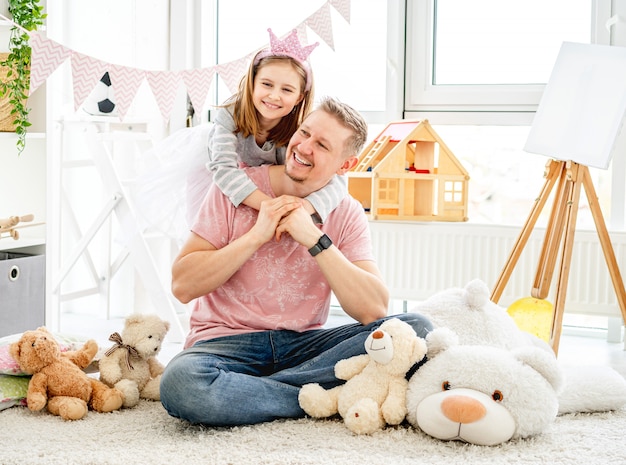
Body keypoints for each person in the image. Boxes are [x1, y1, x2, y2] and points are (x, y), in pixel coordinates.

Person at [159, 97, 433, 426]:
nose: (303, 147)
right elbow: (183, 285)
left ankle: (256, 395)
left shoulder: (344, 211)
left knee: (416, 331)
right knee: (182, 384)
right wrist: (256, 235)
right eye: (303, 133)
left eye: (322, 145)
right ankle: (312, 395)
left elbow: (373, 310)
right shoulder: (236, 190)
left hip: (304, 346)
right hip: (225, 344)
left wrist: (316, 240)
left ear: (345, 165)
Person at [205, 28, 345, 225]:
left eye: (286, 89)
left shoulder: (300, 130)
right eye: (267, 84)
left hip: (273, 186)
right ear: (252, 83)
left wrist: (306, 207)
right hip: (237, 183)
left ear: (299, 98)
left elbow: (337, 178)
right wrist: (271, 207)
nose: (274, 96)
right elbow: (223, 169)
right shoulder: (230, 115)